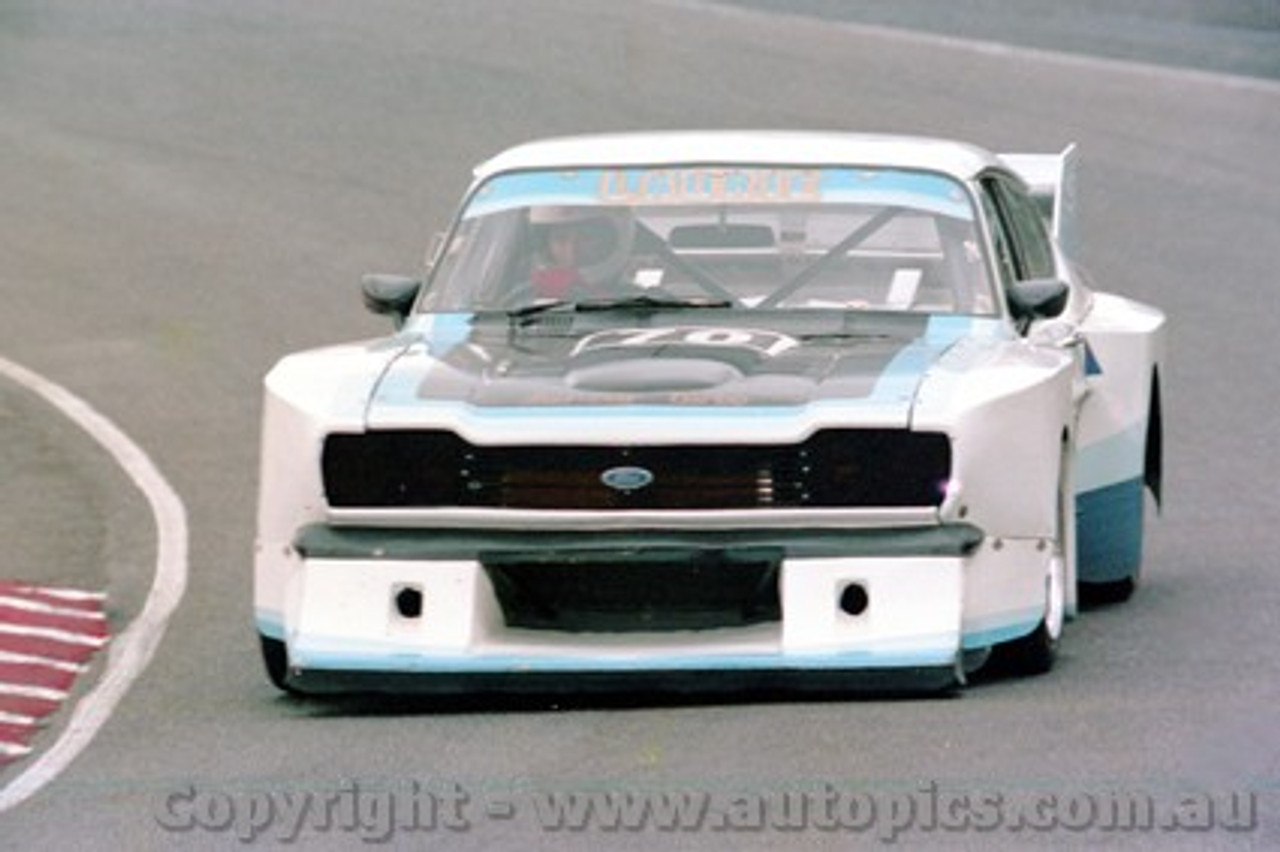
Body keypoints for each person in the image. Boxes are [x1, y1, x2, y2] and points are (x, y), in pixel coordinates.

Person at [527, 206, 634, 299]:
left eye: (586, 238)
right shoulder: (525, 298)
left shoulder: (638, 305)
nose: (571, 251)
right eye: (560, 239)